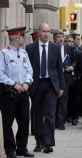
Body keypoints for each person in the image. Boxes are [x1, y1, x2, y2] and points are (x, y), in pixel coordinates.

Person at [26, 23, 65, 154]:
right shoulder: (30, 48)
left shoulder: (55, 48)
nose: (46, 34)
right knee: (36, 114)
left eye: (48, 31)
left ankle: (48, 143)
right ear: (38, 32)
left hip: (51, 85)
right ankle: (39, 142)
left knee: (49, 114)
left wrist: (61, 87)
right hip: (36, 85)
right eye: (43, 31)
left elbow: (59, 69)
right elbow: (27, 68)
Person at [0, 27, 34, 158]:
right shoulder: (4, 54)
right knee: (7, 124)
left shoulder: (24, 53)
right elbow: (0, 74)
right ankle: (10, 150)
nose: (24, 39)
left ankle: (22, 147)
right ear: (15, 37)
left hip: (23, 92)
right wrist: (14, 84)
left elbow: (30, 71)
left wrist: (26, 82)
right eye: (22, 36)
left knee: (24, 122)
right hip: (9, 93)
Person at [53, 31, 75, 130]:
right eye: (58, 37)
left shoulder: (69, 49)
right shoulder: (51, 48)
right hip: (55, 78)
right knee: (54, 100)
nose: (61, 39)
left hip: (66, 77)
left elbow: (75, 61)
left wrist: (72, 67)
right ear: (54, 39)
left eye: (62, 37)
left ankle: (61, 122)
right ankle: (53, 122)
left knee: (63, 100)